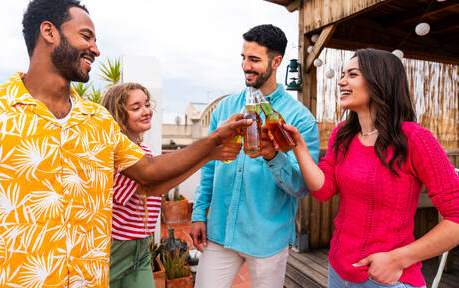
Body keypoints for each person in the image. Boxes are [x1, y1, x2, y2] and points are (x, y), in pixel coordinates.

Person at [0, 0, 249, 288]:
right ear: (49, 31)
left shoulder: (99, 121)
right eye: (86, 36)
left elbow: (149, 173)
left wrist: (214, 141)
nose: (96, 49)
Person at [283, 48, 459, 288]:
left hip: (386, 279)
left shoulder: (415, 139)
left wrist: (398, 259)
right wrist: (299, 148)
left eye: (352, 74)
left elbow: (456, 216)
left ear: (379, 81)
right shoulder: (342, 135)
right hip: (338, 270)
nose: (341, 81)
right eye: (343, 74)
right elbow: (323, 190)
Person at [190, 24, 320, 288]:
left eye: (254, 59)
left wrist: (274, 156)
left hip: (267, 238)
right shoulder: (225, 107)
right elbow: (209, 167)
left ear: (277, 61)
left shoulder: (300, 119)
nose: (245, 66)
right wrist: (199, 212)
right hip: (220, 231)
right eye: (243, 57)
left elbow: (301, 186)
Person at [101, 83, 241, 288]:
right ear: (118, 113)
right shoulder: (117, 151)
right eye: (136, 107)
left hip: (140, 247)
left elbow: (155, 187)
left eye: (147, 104)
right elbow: (150, 183)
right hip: (116, 248)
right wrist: (210, 150)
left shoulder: (141, 150)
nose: (146, 111)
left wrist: (208, 156)